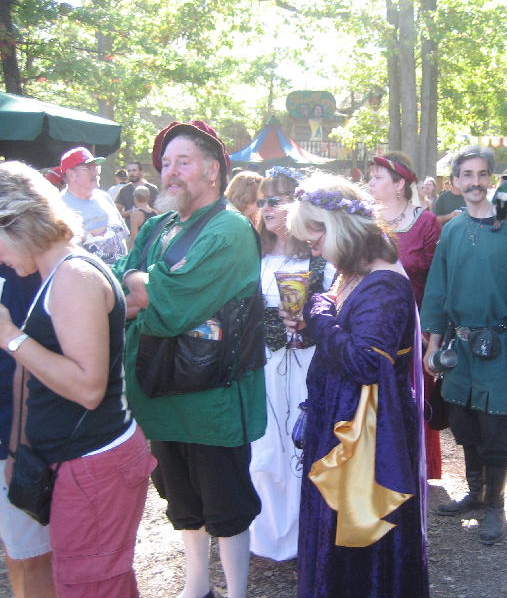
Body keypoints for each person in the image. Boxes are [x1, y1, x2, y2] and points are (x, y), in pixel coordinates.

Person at [112, 120, 266, 598]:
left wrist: (142, 284)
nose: (170, 172)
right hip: (157, 389)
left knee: (227, 505)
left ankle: (237, 592)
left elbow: (166, 304)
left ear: (213, 171)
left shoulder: (231, 229)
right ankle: (196, 586)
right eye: (166, 163)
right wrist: (139, 282)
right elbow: (119, 284)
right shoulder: (157, 226)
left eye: (183, 162)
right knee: (180, 501)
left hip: (212, 396)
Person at [0, 161, 155, 597]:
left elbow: (88, 389)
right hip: (82, 464)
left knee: (90, 587)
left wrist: (10, 337)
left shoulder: (73, 275)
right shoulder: (59, 272)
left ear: (17, 223)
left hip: (93, 464)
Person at [282, 172, 429, 598]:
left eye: (315, 239)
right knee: (335, 541)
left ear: (339, 227)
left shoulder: (384, 284)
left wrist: (318, 314)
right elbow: (345, 338)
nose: (313, 250)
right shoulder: (354, 273)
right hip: (345, 422)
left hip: (368, 438)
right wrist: (312, 324)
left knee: (359, 550)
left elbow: (365, 362)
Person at [420, 146, 507, 545]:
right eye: (466, 175)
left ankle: (495, 507)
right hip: (460, 347)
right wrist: (433, 344)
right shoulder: (453, 230)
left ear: (490, 179)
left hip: (500, 344)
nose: (475, 182)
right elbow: (437, 289)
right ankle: (475, 493)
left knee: (496, 431)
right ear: (455, 183)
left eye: (481, 174)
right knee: (464, 424)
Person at [249, 165, 335, 562]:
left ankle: (309, 536)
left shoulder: (321, 262)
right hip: (263, 366)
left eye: (276, 200)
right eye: (262, 201)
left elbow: (339, 312)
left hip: (308, 365)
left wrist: (311, 323)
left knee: (305, 443)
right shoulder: (253, 257)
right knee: (267, 447)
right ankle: (267, 536)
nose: (266, 208)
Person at [368, 152, 443, 479]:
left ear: (399, 184)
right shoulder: (365, 220)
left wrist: (432, 335)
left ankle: (412, 471)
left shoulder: (425, 223)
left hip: (414, 332)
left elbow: (438, 281)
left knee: (411, 400)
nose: (370, 183)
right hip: (370, 328)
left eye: (377, 177)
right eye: (370, 177)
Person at [0, 264, 55, 598]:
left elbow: (27, 361)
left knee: (32, 556)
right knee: (16, 548)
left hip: (15, 434)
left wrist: (16, 448)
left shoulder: (19, 269)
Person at [58, 147, 129, 265]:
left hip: (119, 274)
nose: (96, 173)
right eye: (88, 168)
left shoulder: (104, 197)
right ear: (71, 174)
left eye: (96, 168)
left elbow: (122, 237)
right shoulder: (60, 207)